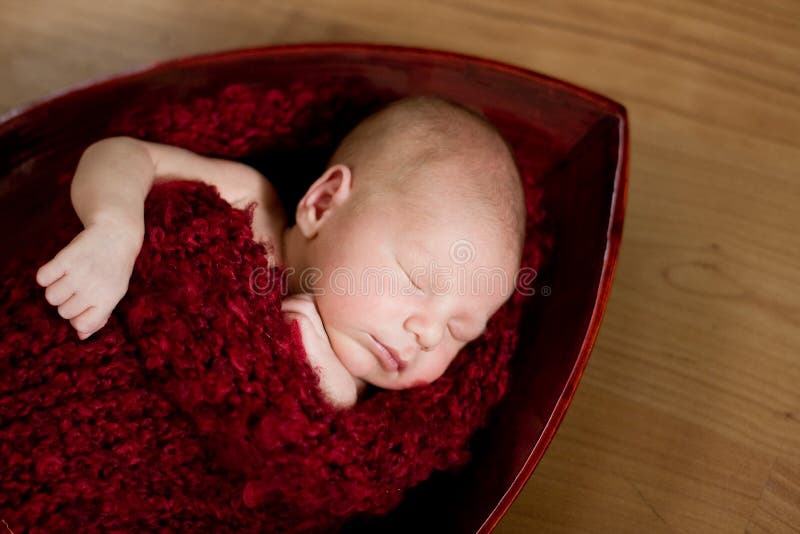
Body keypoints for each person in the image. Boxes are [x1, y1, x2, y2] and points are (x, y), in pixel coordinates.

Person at [34, 95, 526, 409]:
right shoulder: (249, 201)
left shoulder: (360, 388)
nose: (427, 335)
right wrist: (115, 228)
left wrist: (330, 388)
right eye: (417, 279)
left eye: (460, 332)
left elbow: (320, 462)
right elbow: (123, 154)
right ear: (323, 202)